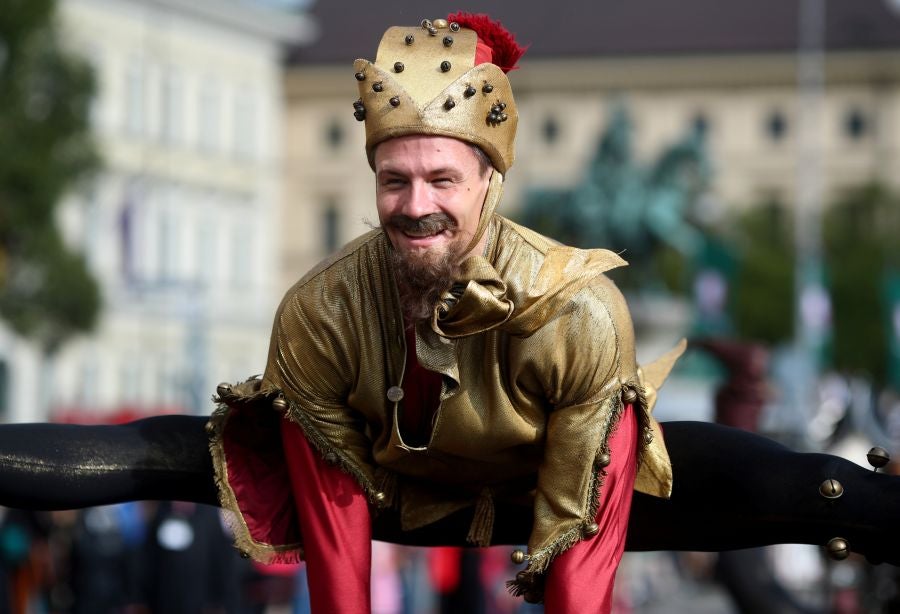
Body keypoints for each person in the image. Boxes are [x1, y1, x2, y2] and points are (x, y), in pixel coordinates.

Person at [0, 11, 899, 614]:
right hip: (397, 487)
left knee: (801, 487)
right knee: (160, 449)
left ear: (491, 182)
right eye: (395, 179)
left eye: (442, 179)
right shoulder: (322, 308)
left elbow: (579, 554)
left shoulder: (577, 307)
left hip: (566, 475)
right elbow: (338, 527)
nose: (415, 203)